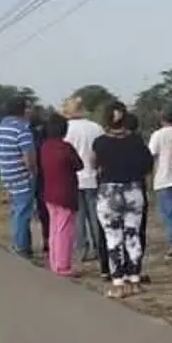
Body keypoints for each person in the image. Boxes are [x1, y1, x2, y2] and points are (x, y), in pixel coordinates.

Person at [91, 101, 153, 298]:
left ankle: (118, 282)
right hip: (133, 190)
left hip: (109, 192)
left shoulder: (100, 142)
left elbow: (94, 164)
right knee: (132, 235)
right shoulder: (136, 140)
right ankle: (134, 279)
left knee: (113, 237)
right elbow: (148, 164)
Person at [62, 96, 106, 270]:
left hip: (75, 177)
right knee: (96, 215)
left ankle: (81, 249)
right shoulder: (96, 127)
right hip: (94, 175)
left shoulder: (67, 129)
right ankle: (98, 246)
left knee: (78, 216)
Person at [39, 114, 83, 277]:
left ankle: (55, 262)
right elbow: (79, 165)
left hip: (50, 192)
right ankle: (63, 265)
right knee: (65, 229)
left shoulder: (45, 147)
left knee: (54, 228)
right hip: (65, 192)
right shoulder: (65, 147)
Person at [0, 96, 37, 258]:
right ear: (22, 110)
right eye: (29, 108)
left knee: (17, 211)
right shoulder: (22, 129)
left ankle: (23, 244)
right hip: (21, 175)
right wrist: (33, 171)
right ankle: (20, 246)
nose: (31, 111)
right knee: (23, 212)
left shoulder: (2, 127)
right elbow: (28, 156)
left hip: (7, 174)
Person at [148, 104, 172, 262]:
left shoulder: (158, 135)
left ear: (162, 118)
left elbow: (151, 154)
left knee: (170, 215)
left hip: (164, 179)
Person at [124, 112, 152, 284]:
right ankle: (135, 269)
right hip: (136, 189)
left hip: (113, 192)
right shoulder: (139, 144)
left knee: (118, 233)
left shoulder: (108, 143)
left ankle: (120, 272)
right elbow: (148, 166)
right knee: (137, 232)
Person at [30, 114, 51, 254]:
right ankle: (48, 239)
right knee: (48, 211)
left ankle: (44, 240)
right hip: (48, 177)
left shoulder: (31, 140)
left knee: (39, 210)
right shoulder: (47, 142)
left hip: (35, 177)